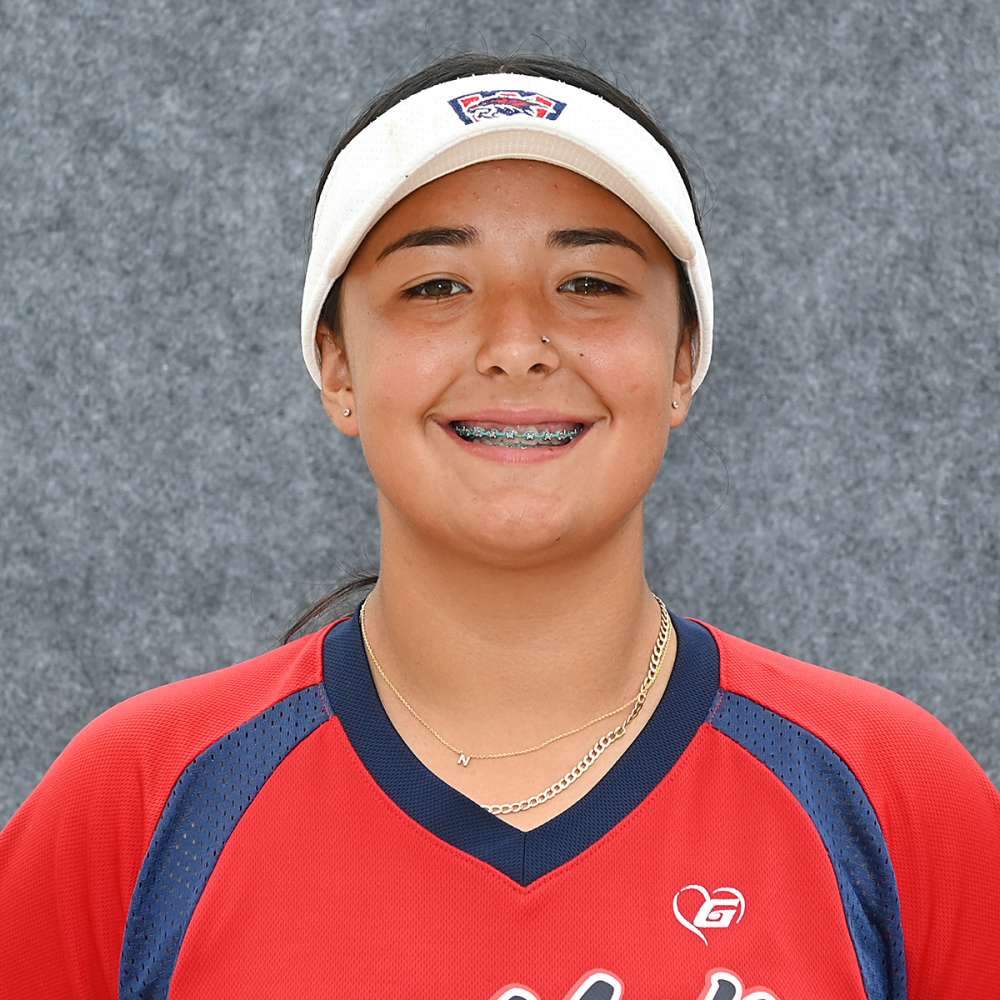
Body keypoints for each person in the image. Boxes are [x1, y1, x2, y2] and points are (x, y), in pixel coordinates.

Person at [1, 50, 997, 1000]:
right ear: (338, 366)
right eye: (437, 286)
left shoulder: (893, 797)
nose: (517, 345)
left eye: (591, 285)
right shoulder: (137, 802)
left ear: (682, 361)